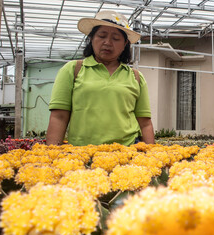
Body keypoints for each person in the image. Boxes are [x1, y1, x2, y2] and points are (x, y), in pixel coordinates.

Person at [46, 10, 155, 146]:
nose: (108, 42)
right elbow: (59, 117)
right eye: (102, 36)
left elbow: (145, 123)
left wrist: (152, 154)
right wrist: (52, 153)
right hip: (82, 153)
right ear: (91, 39)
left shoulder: (136, 77)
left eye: (115, 39)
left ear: (125, 44)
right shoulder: (73, 69)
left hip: (128, 152)